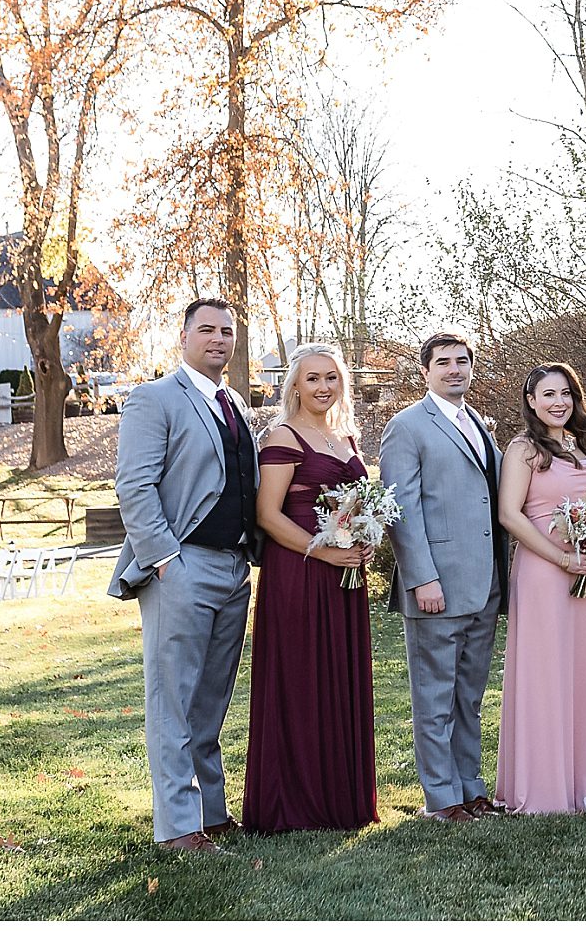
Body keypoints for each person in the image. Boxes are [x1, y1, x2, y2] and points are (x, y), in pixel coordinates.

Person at [107, 298, 261, 854]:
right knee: (172, 700)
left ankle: (211, 814)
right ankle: (177, 828)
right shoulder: (153, 399)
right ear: (184, 336)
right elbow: (135, 486)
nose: (219, 339)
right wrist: (164, 558)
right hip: (181, 565)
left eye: (228, 331)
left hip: (234, 567)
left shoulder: (235, 403)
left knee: (210, 701)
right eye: (207, 330)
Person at [242, 343, 379, 833]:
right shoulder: (283, 435)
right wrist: (324, 551)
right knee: (300, 678)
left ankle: (341, 799)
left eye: (332, 378)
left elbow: (360, 504)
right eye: (313, 379)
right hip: (299, 572)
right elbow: (267, 514)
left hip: (345, 576)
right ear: (294, 386)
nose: (323, 387)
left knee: (339, 677)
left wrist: (364, 538)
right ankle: (294, 802)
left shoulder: (347, 438)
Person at [380, 331, 509, 823]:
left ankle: (472, 787)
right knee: (435, 697)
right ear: (426, 371)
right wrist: (420, 578)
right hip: (437, 583)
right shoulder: (407, 426)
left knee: (469, 695)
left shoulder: (479, 423)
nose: (454, 370)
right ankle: (442, 798)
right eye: (444, 363)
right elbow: (402, 508)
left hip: (485, 582)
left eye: (462, 362)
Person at [494, 362, 586, 814]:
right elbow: (510, 515)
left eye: (565, 393)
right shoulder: (524, 449)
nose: (558, 402)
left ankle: (585, 776)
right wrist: (563, 556)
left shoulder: (584, 448)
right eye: (547, 395)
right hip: (545, 573)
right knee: (546, 674)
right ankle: (544, 785)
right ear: (531, 401)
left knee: (583, 670)